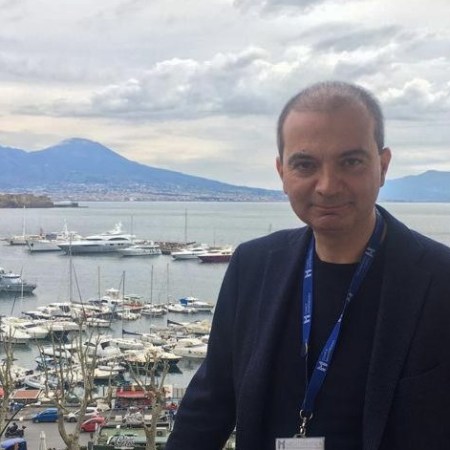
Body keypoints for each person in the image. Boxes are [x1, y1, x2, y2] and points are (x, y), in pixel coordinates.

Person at [165, 81, 450, 450]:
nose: (328, 186)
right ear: (282, 173)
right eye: (305, 164)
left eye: (350, 162)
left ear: (382, 166)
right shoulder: (252, 267)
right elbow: (209, 407)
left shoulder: (440, 280)